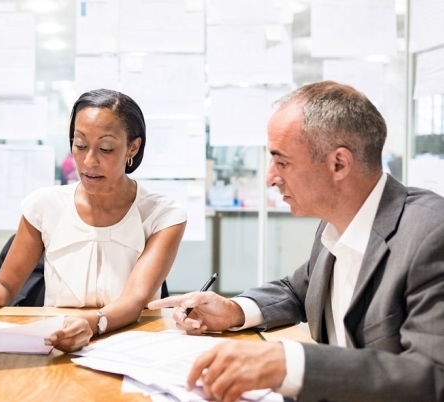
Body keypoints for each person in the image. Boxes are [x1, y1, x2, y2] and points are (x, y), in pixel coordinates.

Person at [149, 81, 444, 402]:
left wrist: (291, 363)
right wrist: (233, 310)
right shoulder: (336, 222)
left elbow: (433, 376)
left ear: (339, 164)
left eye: (282, 162)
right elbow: (298, 289)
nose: (270, 178)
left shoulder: (431, 233)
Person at [0, 89, 187, 352]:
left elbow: (134, 299)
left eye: (105, 148)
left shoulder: (163, 215)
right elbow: (5, 287)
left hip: (134, 347)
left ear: (132, 147)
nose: (89, 161)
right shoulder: (44, 206)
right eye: (80, 145)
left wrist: (89, 324)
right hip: (58, 342)